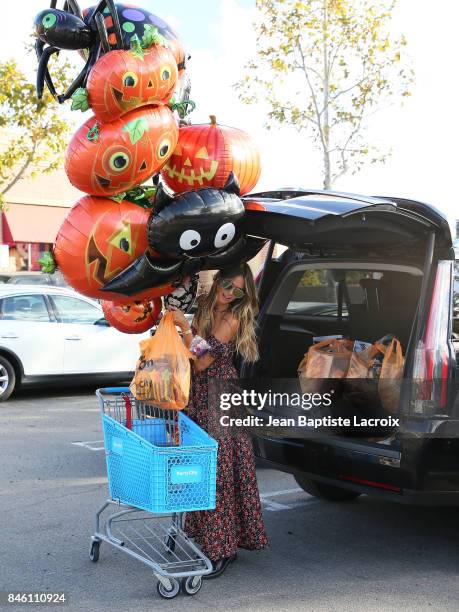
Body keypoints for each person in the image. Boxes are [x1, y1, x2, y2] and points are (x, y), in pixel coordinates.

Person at [169, 262, 269, 579]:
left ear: (243, 294)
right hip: (199, 398)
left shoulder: (232, 317)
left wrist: (184, 328)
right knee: (203, 470)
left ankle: (222, 550)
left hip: (218, 397)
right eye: (226, 284)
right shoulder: (205, 307)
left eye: (236, 289)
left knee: (219, 475)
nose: (228, 292)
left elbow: (201, 361)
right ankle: (213, 538)